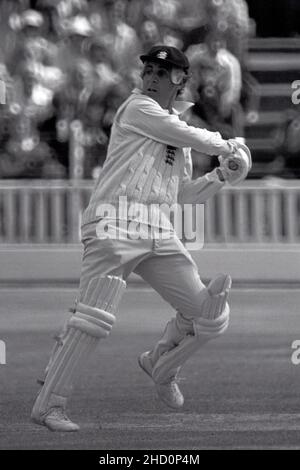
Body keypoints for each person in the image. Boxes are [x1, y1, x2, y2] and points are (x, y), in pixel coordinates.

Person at [31, 45, 251, 432]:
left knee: (210, 315)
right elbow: (186, 134)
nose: (150, 79)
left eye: (160, 74)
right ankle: (50, 406)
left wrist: (220, 177)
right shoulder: (137, 108)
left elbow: (181, 193)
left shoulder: (173, 128)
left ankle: (161, 363)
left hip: (158, 229)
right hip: (114, 222)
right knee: (94, 317)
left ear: (179, 80)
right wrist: (229, 146)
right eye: (147, 71)